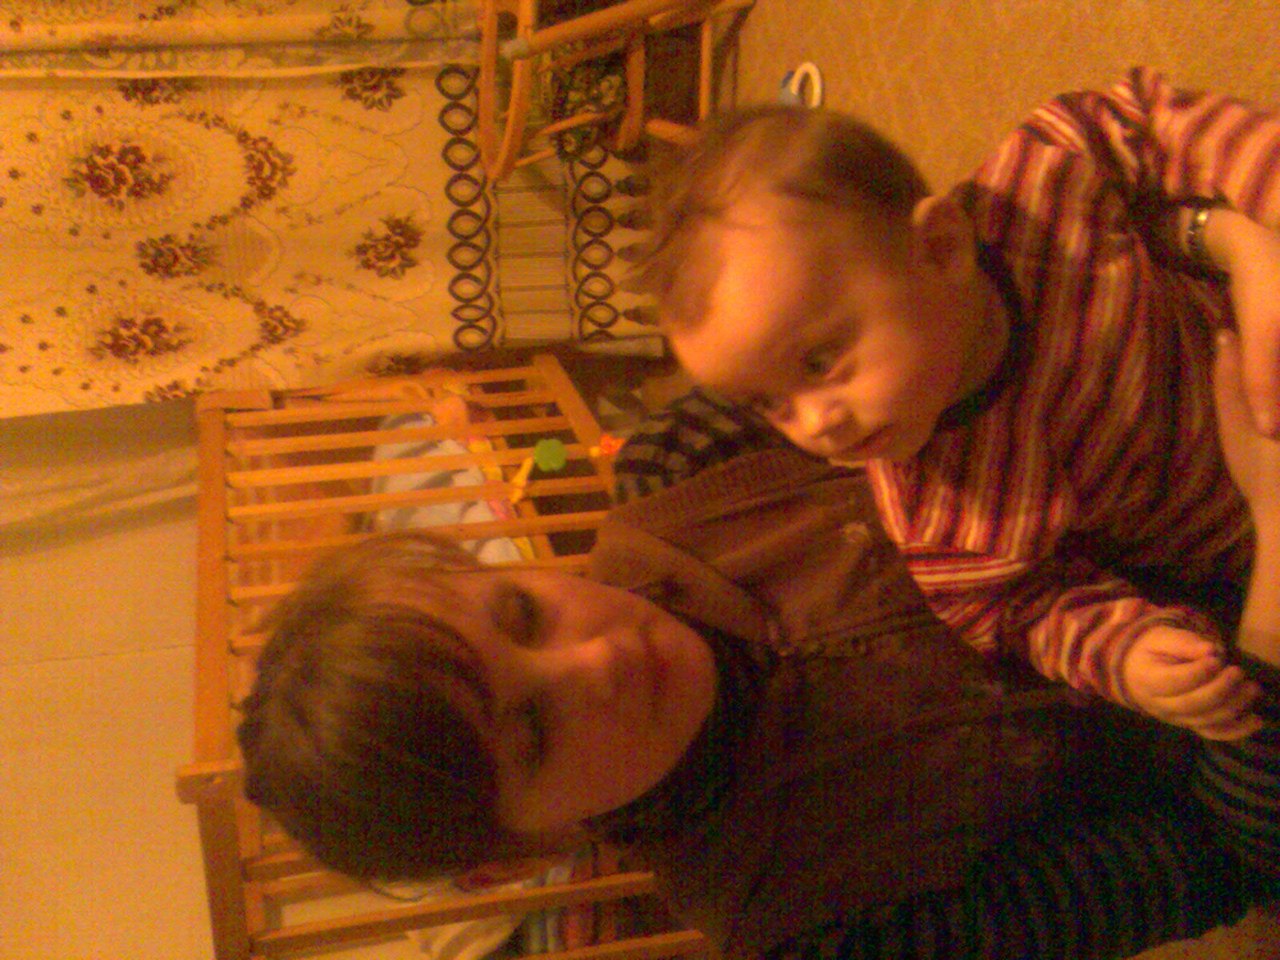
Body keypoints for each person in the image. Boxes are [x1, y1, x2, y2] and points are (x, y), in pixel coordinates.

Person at [236, 329, 1280, 960]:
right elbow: (1221, 859)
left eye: (522, 616)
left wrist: (1215, 246)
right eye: (533, 734)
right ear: (518, 856)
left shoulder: (685, 462)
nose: (596, 662)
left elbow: (955, 309)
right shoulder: (816, 925)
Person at [635, 67, 1280, 740]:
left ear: (940, 248)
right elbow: (1016, 611)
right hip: (1239, 537)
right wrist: (1124, 651)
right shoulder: (938, 518)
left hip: (1241, 327)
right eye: (770, 404)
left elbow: (1150, 121)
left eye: (820, 363)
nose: (816, 424)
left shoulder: (1039, 192)